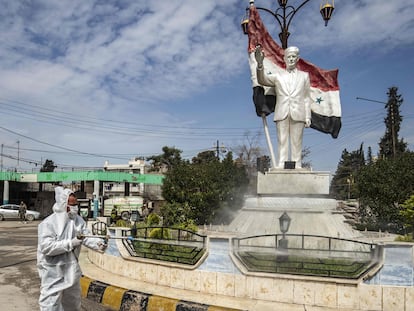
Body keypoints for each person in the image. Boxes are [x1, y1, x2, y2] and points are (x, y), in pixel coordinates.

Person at [37, 186, 107, 311]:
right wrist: (71, 243)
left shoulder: (78, 220)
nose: (75, 207)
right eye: (72, 204)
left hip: (71, 268)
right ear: (64, 204)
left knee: (73, 302)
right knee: (50, 303)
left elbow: (85, 236)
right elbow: (46, 247)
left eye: (76, 204)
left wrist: (98, 243)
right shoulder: (49, 223)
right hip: (53, 269)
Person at [255, 45, 312, 169]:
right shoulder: (278, 76)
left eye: (293, 57)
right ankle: (282, 162)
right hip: (282, 112)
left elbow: (306, 97)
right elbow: (262, 79)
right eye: (289, 57)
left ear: (297, 59)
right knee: (282, 140)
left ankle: (297, 163)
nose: (291, 59)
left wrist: (308, 116)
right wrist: (260, 65)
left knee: (297, 142)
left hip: (299, 112)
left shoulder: (304, 76)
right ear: (284, 59)